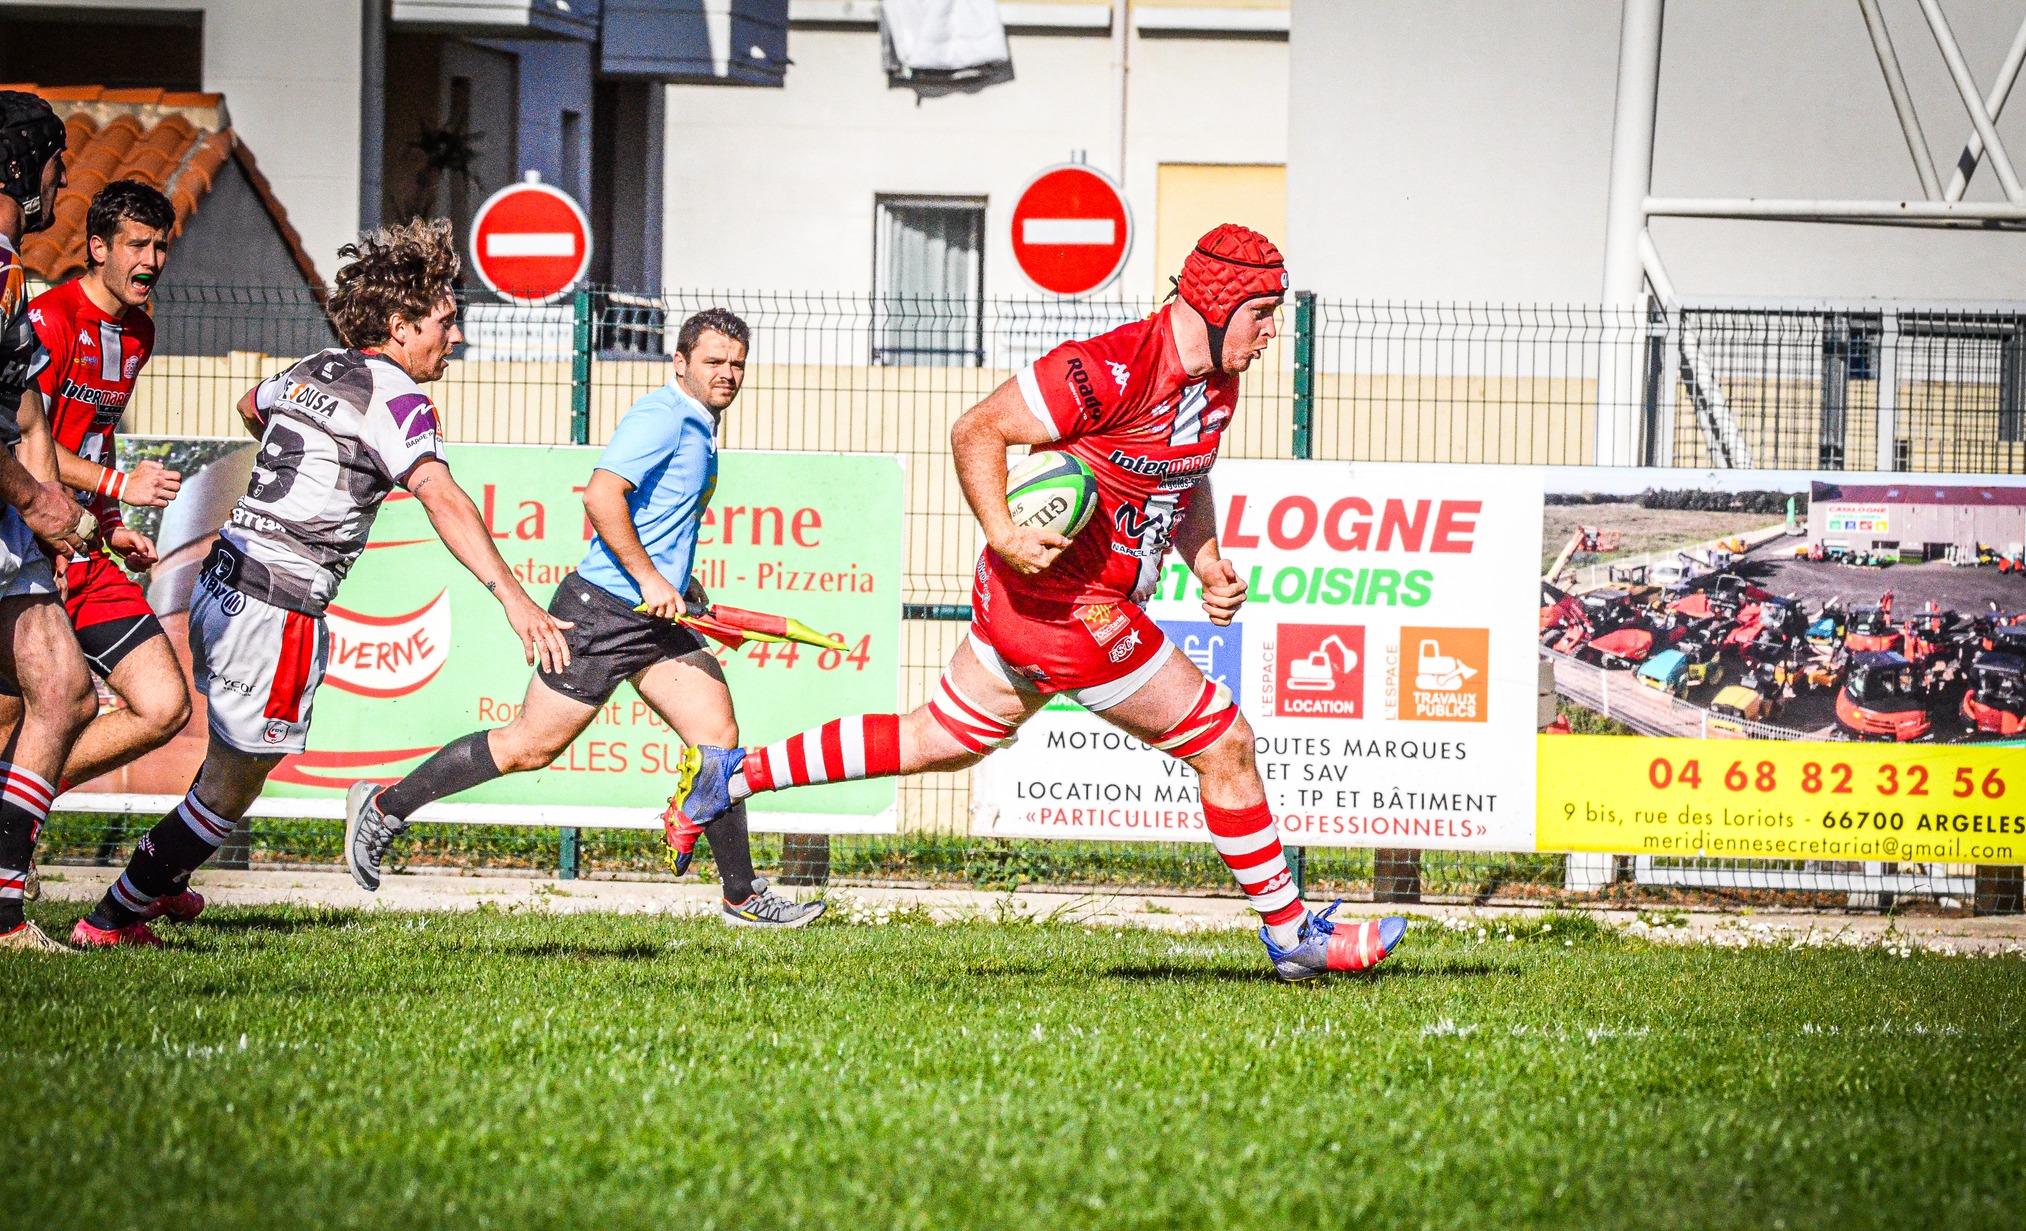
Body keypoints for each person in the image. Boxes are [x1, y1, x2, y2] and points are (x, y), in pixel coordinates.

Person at [664, 226, 1408, 981]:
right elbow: (977, 430)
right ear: (1217, 305)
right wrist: (1003, 530)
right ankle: (1293, 936)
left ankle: (732, 775)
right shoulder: (1106, 366)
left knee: (939, 738)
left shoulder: (1217, 382)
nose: (1272, 331)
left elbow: (1183, 473)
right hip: (1069, 611)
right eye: (1262, 312)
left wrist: (1206, 558)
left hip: (1040, 605)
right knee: (1225, 742)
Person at [69, 218, 572, 947]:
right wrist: (513, 596)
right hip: (277, 607)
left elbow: (251, 404)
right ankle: (116, 914)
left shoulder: (315, 366)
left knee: (226, 766)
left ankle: (165, 878)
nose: (454, 338)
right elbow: (440, 493)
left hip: (221, 581)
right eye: (445, 321)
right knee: (235, 785)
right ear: (400, 325)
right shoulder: (397, 396)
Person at [344, 309, 819, 929]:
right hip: (601, 615)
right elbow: (600, 495)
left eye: (736, 364)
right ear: (680, 363)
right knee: (525, 748)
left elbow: (659, 520)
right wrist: (650, 578)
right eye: (713, 362)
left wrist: (676, 581)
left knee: (718, 744)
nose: (727, 373)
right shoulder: (662, 416)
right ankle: (384, 806)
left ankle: (742, 895)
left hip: (651, 618)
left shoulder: (698, 424)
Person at [0, 183, 190, 813]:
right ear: (97, 247)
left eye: (160, 246)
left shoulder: (138, 333)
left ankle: (11, 794)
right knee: (17, 717)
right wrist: (116, 488)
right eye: (138, 244)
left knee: (165, 705)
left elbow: (96, 437)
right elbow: (34, 442)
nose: (152, 259)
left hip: (83, 546)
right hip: (27, 549)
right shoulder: (49, 319)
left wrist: (110, 524)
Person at [0, 92, 99, 953]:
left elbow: (28, 416)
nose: (62, 183)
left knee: (62, 688)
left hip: (11, 530)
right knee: (61, 688)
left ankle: (3, 922)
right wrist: (36, 500)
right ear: (20, 164)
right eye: (54, 162)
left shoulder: (11, 274)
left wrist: (57, 521)